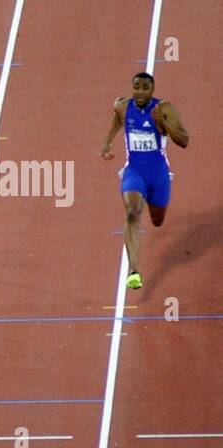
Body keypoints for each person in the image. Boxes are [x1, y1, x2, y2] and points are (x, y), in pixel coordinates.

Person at [101, 72, 189, 289]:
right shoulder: (123, 107)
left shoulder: (164, 109)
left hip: (159, 175)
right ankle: (134, 271)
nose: (140, 92)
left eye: (145, 88)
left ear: (153, 90)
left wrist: (163, 124)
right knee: (132, 213)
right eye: (136, 87)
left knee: (157, 221)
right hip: (134, 172)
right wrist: (108, 142)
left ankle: (149, 197)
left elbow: (184, 140)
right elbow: (117, 119)